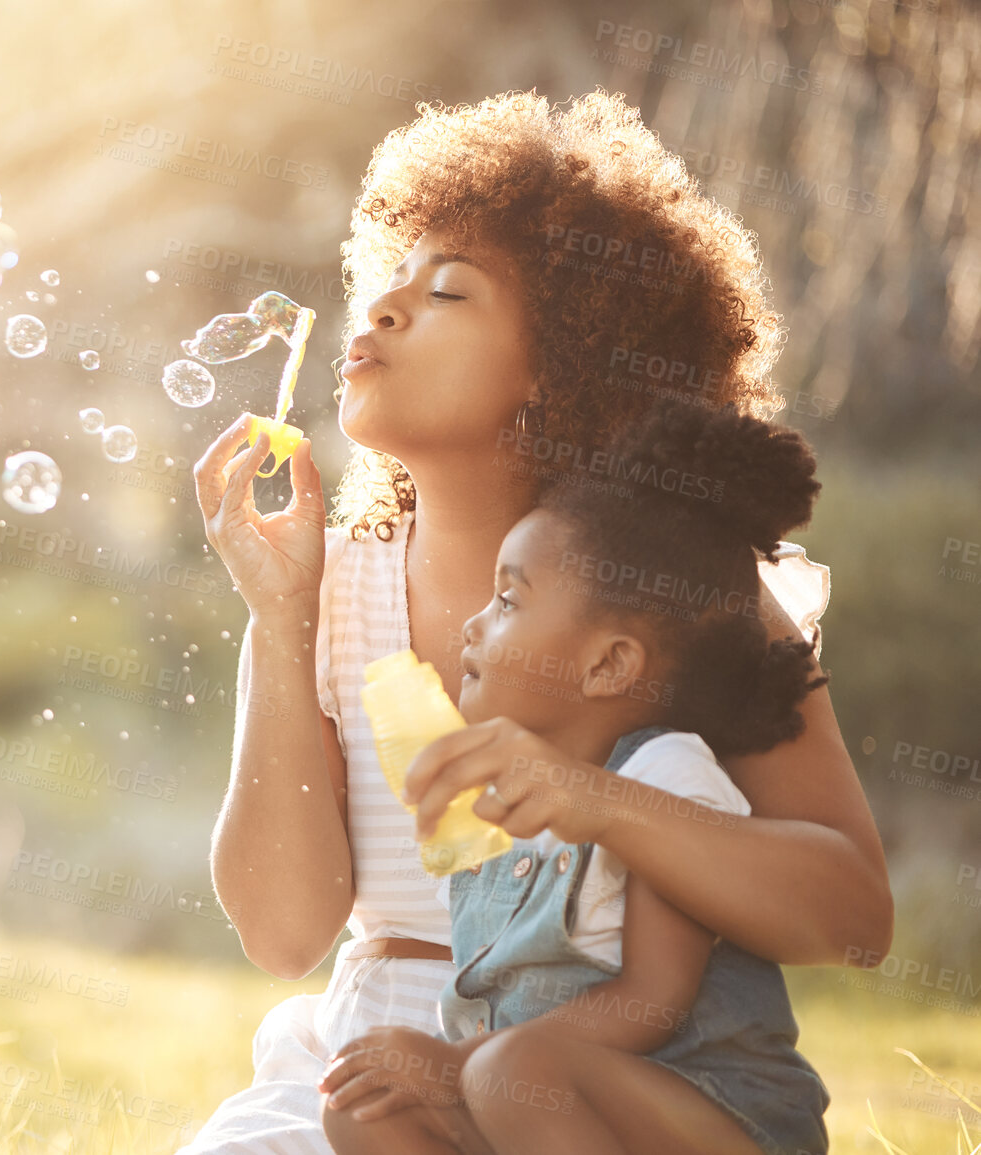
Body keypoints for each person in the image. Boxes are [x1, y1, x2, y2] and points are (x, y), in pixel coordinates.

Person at [185, 89, 888, 1155]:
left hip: (609, 1082)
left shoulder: (679, 593)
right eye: (390, 278)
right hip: (367, 1070)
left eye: (447, 292)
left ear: (560, 371)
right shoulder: (324, 593)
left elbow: (851, 915)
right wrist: (278, 620)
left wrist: (588, 796)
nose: (381, 308)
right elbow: (285, 935)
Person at [318, 399, 833, 1155]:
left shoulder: (664, 775)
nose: (472, 622)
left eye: (507, 599)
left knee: (505, 1070)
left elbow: (654, 1000)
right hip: (547, 1108)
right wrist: (430, 1061)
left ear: (607, 664)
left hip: (717, 1113)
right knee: (362, 1106)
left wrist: (458, 1064)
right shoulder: (502, 800)